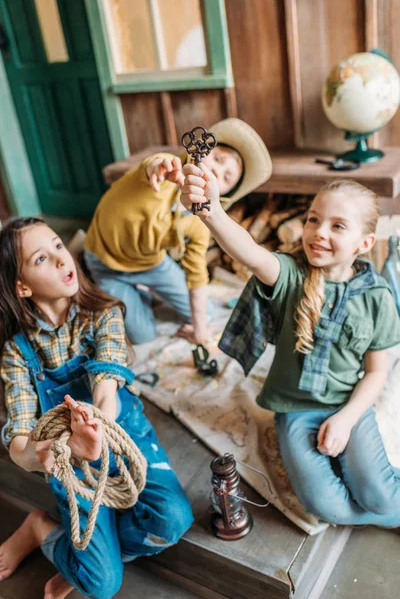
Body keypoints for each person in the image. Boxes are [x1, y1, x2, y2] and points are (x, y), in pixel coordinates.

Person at [180, 167, 400, 528]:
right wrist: (211, 212)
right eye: (314, 219)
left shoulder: (377, 296)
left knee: (380, 495)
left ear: (365, 243)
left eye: (338, 226)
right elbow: (251, 253)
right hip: (294, 410)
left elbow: (377, 372)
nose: (319, 233)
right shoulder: (291, 274)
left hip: (349, 404)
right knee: (331, 508)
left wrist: (345, 420)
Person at [0, 217, 193, 599]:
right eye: (41, 259)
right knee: (102, 586)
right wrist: (56, 453)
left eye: (58, 246)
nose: (60, 259)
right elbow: (20, 446)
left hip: (122, 433)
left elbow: (106, 389)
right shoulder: (16, 354)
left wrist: (96, 433)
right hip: (69, 461)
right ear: (21, 287)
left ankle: (87, 553)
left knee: (172, 519)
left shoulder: (103, 313)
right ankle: (40, 529)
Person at [83, 118, 272, 346]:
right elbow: (154, 165)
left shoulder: (201, 221)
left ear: (223, 193)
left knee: (206, 314)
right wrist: (160, 168)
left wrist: (200, 331)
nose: (216, 169)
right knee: (143, 335)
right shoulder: (167, 168)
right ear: (203, 149)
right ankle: (134, 292)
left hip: (151, 263)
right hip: (106, 263)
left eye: (225, 177)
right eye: (218, 159)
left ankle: (143, 290)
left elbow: (196, 273)